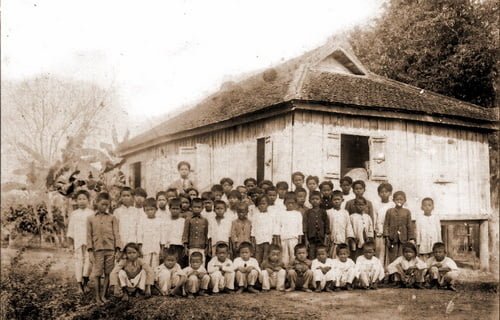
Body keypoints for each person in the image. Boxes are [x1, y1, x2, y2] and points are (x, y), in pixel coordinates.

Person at [87, 192, 121, 305]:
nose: (105, 207)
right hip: (98, 250)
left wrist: (117, 249)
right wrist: (90, 251)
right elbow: (88, 235)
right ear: (96, 203)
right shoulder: (90, 218)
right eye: (102, 204)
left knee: (108, 273)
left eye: (107, 205)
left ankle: (104, 296)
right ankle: (97, 297)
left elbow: (116, 233)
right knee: (97, 273)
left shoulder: (112, 218)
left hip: (110, 249)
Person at [67, 189, 94, 293]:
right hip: (78, 241)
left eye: (84, 199)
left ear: (88, 200)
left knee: (89, 262)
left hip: (89, 241)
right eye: (79, 199)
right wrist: (70, 244)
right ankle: (79, 285)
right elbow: (70, 229)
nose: (82, 201)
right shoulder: (74, 214)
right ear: (76, 201)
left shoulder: (91, 213)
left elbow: (94, 229)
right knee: (78, 261)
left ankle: (85, 282)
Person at [384, 191, 415, 263]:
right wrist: (387, 236)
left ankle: (401, 272)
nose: (399, 201)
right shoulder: (389, 211)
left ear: (405, 201)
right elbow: (386, 224)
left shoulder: (407, 212)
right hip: (392, 238)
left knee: (402, 256)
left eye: (401, 199)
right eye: (397, 199)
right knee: (392, 256)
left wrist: (411, 238)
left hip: (403, 238)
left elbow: (409, 225)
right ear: (393, 200)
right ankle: (393, 272)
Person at [276, 192, 304, 266]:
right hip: (284, 239)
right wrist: (278, 241)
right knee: (284, 258)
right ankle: (285, 273)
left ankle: (293, 273)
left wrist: (299, 242)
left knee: (294, 257)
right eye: (288, 203)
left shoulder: (298, 214)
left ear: (296, 203)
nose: (290, 205)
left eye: (292, 203)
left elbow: (299, 230)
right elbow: (278, 228)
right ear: (284, 203)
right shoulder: (280, 214)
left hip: (294, 239)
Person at [137, 198, 165, 269]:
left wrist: (162, 249)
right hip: (146, 248)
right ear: (144, 211)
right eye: (147, 210)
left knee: (155, 266)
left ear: (156, 209)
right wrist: (140, 248)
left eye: (151, 209)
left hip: (156, 247)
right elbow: (139, 235)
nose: (150, 212)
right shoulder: (142, 221)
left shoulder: (160, 221)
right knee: (145, 266)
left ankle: (154, 279)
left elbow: (162, 236)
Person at [251, 195, 278, 264]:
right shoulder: (255, 215)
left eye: (264, 204)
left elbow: (274, 226)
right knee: (258, 256)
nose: (262, 206)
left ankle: (265, 269)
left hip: (268, 239)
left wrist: (274, 237)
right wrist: (253, 238)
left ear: (268, 204)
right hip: (258, 239)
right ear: (257, 205)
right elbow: (253, 228)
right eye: (260, 204)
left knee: (266, 256)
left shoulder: (271, 215)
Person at [326, 191, 355, 258]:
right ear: (331, 201)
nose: (336, 201)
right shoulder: (328, 212)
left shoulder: (345, 212)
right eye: (334, 199)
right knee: (332, 257)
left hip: (342, 239)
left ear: (342, 200)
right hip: (332, 240)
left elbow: (348, 226)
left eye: (338, 199)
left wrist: (348, 239)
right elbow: (327, 226)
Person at [303, 191, 330, 260]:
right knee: (311, 255)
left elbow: (326, 225)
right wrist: (306, 240)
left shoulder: (323, 212)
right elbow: (305, 226)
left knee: (321, 255)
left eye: (317, 199)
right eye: (313, 199)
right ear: (309, 201)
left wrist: (326, 239)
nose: (315, 201)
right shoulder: (307, 212)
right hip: (311, 239)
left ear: (320, 201)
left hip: (321, 238)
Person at [182, 198, 209, 265]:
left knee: (201, 263)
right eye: (195, 207)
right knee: (192, 264)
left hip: (202, 247)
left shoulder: (205, 220)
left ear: (202, 208)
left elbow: (206, 234)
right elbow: (185, 233)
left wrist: (207, 246)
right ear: (191, 208)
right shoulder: (188, 219)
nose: (197, 209)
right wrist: (185, 247)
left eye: (199, 207)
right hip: (191, 246)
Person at [374, 182, 393, 265]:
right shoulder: (376, 205)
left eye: (386, 192)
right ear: (378, 194)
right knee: (379, 254)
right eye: (382, 192)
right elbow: (375, 218)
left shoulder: (392, 205)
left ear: (390, 193)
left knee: (389, 254)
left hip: (390, 233)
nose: (384, 194)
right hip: (379, 233)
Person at [164, 198, 187, 267]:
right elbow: (165, 234)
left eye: (177, 209)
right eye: (173, 208)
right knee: (168, 264)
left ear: (180, 209)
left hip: (179, 246)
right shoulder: (166, 220)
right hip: (169, 246)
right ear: (169, 209)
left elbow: (185, 234)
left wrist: (185, 246)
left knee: (179, 264)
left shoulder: (183, 221)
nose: (175, 211)